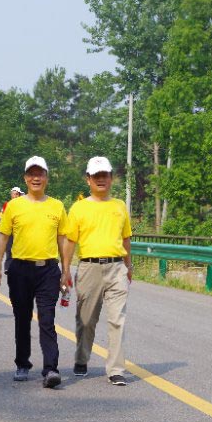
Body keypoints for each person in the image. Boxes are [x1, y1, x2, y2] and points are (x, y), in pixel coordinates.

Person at [0, 157, 68, 388]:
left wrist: (66, 270)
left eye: (40, 173)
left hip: (48, 270)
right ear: (25, 178)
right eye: (31, 174)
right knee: (22, 318)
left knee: (47, 319)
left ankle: (51, 369)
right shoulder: (14, 206)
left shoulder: (57, 206)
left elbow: (63, 239)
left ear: (46, 178)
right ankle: (22, 363)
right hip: (20, 269)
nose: (36, 178)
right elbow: (3, 238)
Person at [61, 156, 133, 386]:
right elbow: (70, 241)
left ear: (111, 178)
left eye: (105, 175)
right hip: (89, 267)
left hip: (116, 267)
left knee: (117, 319)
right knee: (86, 319)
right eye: (96, 176)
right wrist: (65, 270)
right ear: (88, 179)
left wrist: (129, 265)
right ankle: (82, 359)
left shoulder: (119, 206)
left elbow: (126, 238)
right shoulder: (79, 207)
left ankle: (116, 369)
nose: (101, 179)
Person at [1, 187, 23, 274]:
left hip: (20, 231)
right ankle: (8, 267)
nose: (15, 196)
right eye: (14, 194)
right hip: (10, 230)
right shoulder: (7, 204)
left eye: (17, 194)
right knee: (9, 249)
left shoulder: (23, 205)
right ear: (11, 195)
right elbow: (4, 217)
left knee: (20, 249)